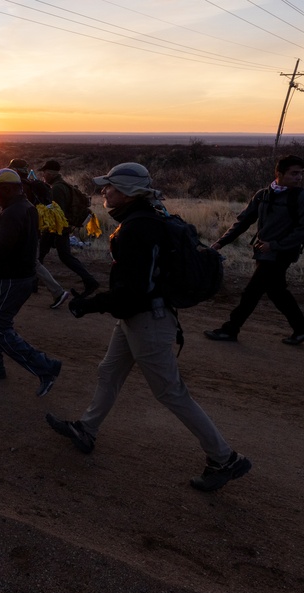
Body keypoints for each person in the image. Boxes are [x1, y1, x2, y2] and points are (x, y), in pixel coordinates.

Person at [46, 162, 251, 492]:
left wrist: (89, 304)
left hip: (147, 320)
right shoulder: (150, 219)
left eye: (110, 188)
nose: (104, 192)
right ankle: (86, 429)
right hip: (141, 316)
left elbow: (133, 292)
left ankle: (225, 458)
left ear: (127, 193)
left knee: (171, 392)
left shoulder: (136, 228)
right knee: (109, 372)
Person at [0, 168, 61, 397]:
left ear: (6, 190)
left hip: (11, 280)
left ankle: (45, 368)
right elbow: (8, 243)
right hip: (18, 277)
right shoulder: (25, 208)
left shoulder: (13, 213)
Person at [203, 154, 304, 345]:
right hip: (264, 252)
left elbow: (302, 230)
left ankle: (230, 330)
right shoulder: (262, 195)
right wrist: (220, 243)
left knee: (252, 292)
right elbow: (242, 222)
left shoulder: (300, 197)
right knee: (277, 292)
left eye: (301, 174)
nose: (299, 178)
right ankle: (301, 329)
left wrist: (274, 245)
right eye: (294, 173)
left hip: (282, 253)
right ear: (279, 173)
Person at [8, 159, 70, 309]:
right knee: (21, 261)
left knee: (30, 262)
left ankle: (58, 291)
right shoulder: (31, 185)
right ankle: (8, 293)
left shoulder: (22, 187)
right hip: (33, 228)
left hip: (25, 230)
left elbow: (20, 209)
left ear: (16, 171)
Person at [38, 160, 100, 296]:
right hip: (62, 228)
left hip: (56, 229)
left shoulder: (57, 189)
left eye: (44, 173)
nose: (43, 175)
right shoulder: (63, 185)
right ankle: (90, 281)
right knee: (64, 257)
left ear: (50, 173)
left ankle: (33, 285)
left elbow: (57, 213)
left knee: (39, 257)